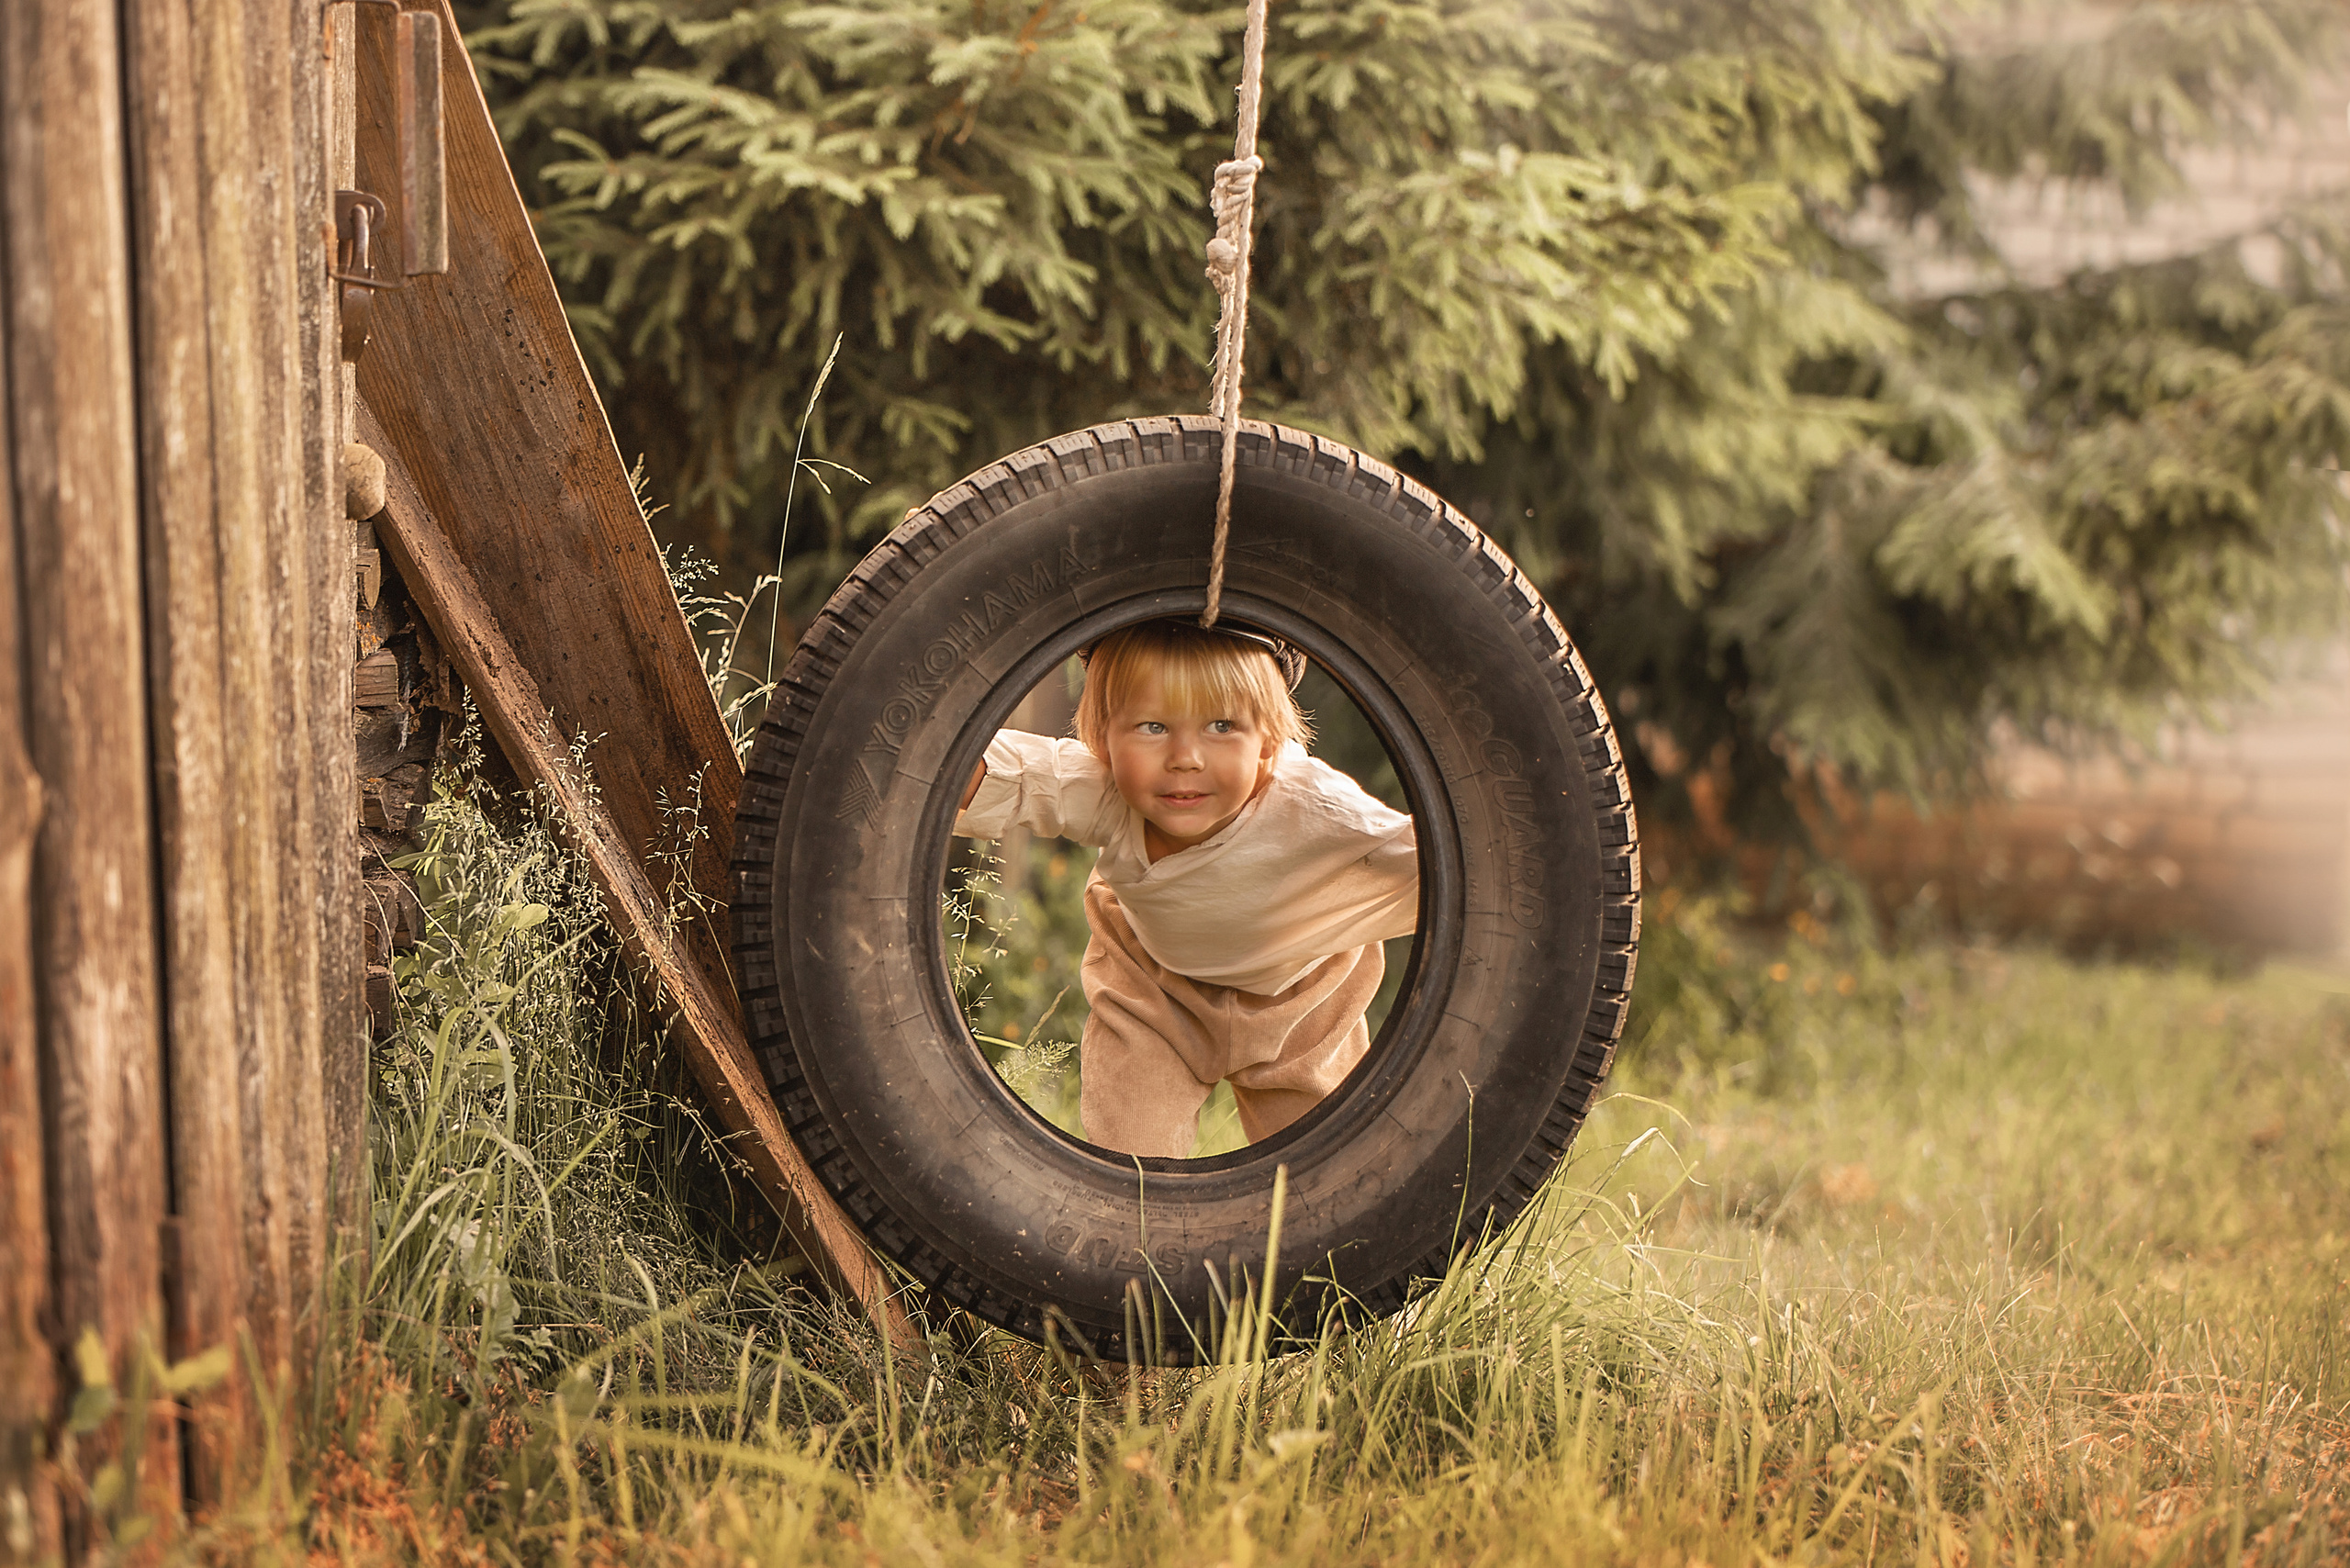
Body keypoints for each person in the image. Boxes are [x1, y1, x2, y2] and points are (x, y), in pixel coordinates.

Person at [954, 618, 1418, 1158]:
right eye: (1152, 727)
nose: (1185, 757)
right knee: (1131, 1168)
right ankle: (1139, 1231)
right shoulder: (1108, 790)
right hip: (1152, 989)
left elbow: (1455, 867)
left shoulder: (1322, 813)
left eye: (1221, 726)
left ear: (1269, 738)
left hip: (1302, 994)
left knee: (1329, 1175)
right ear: (1104, 735)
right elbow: (1004, 774)